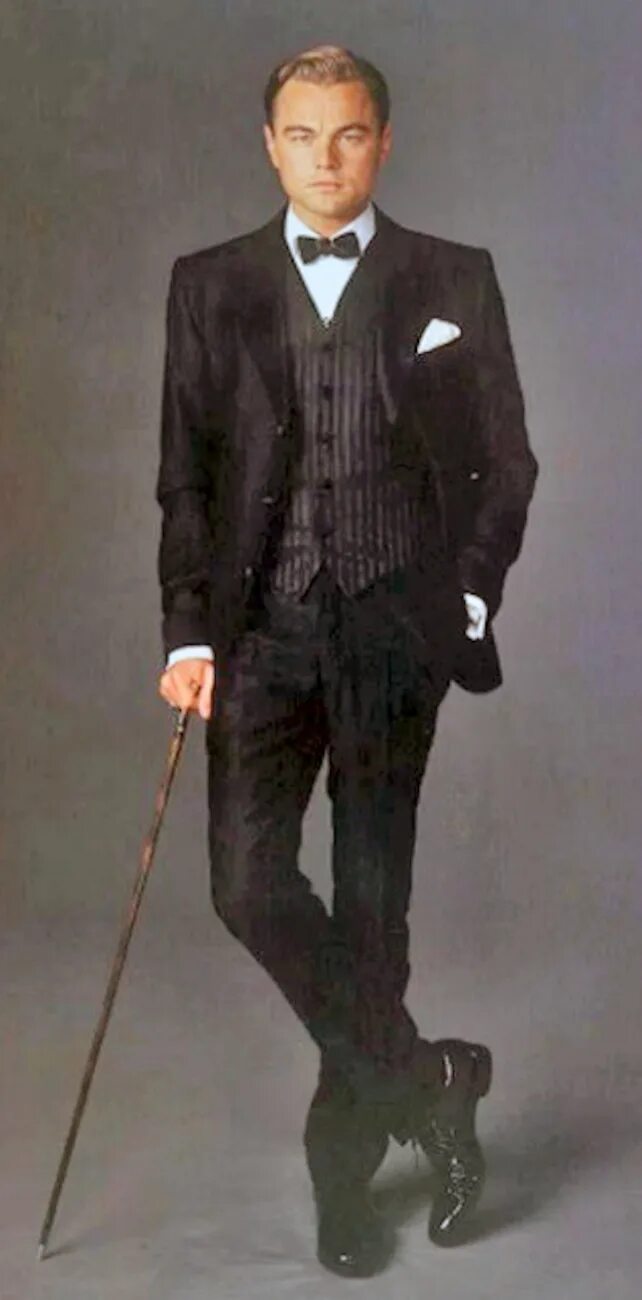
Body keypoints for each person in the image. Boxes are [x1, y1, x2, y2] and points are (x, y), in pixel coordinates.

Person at [156, 44, 538, 1278]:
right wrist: (189, 628)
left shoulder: (454, 277)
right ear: (269, 145)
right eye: (304, 135)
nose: (327, 158)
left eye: (351, 133)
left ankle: (343, 1181)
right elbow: (186, 474)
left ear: (384, 141)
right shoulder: (209, 284)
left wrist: (465, 595)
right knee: (247, 884)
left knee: (374, 910)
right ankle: (431, 1077)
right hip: (262, 632)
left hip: (392, 631)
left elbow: (507, 460)